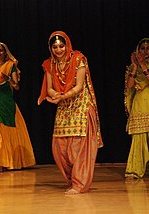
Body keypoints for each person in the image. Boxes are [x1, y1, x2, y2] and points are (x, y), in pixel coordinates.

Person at [38, 31, 103, 195]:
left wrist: (62, 96)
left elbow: (79, 86)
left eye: (61, 46)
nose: (58, 50)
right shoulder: (50, 64)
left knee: (78, 147)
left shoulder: (79, 59)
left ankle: (79, 183)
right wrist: (54, 95)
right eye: (55, 47)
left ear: (67, 45)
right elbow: (50, 87)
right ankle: (72, 180)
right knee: (59, 148)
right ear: (51, 48)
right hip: (64, 105)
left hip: (80, 105)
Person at [0, 42, 36, 173]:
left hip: (6, 101)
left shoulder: (10, 66)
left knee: (5, 130)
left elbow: (16, 86)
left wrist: (8, 80)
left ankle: (2, 161)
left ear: (5, 53)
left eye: (1, 50)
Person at [124, 38, 149, 180]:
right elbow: (129, 86)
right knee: (138, 138)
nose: (145, 51)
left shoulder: (146, 66)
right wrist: (135, 66)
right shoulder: (132, 67)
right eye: (142, 48)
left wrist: (144, 66)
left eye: (148, 48)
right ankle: (134, 170)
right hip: (140, 105)